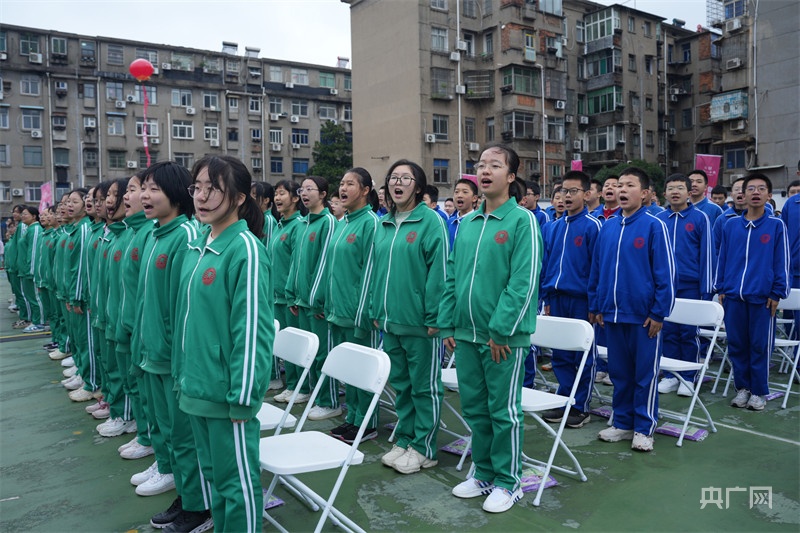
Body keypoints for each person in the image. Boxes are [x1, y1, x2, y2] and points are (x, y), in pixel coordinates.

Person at [441, 145, 541, 513]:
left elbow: (523, 281)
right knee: (476, 409)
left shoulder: (521, 221)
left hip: (503, 337)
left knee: (503, 411)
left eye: (494, 166)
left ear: (511, 177)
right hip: (466, 334)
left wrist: (501, 330)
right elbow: (452, 276)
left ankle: (508, 480)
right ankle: (483, 472)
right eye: (480, 165)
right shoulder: (467, 223)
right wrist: (449, 321)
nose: (484, 171)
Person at [177, 155, 273, 533]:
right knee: (215, 477)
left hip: (226, 393)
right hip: (197, 386)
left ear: (238, 198)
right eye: (197, 187)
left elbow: (252, 329)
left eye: (212, 189)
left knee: (237, 486)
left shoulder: (245, 249)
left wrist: (244, 395)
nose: (201, 197)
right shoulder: (202, 244)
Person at [134, 162, 208, 533]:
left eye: (153, 189)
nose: (144, 196)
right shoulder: (155, 234)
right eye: (143, 188)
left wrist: (175, 355)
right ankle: (187, 496)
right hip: (153, 355)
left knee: (184, 437)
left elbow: (184, 308)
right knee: (168, 433)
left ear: (177, 195)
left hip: (173, 358)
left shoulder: (185, 237)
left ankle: (199, 506)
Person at [589, 167, 675, 452]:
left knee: (644, 374)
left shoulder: (654, 226)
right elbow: (598, 269)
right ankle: (623, 423)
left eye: (629, 185)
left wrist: (659, 313)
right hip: (612, 314)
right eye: (618, 185)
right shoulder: (609, 226)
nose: (622, 190)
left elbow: (665, 274)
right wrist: (598, 304)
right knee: (620, 372)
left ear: (646, 193)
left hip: (643, 317)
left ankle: (644, 427)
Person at [371, 159, 448, 474]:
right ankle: (404, 438)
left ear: (417, 185)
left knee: (423, 386)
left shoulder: (430, 222)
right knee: (401, 384)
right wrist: (377, 310)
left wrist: (434, 316)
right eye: (393, 178)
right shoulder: (384, 223)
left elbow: (439, 272)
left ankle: (424, 446)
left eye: (405, 178)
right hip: (390, 321)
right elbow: (376, 272)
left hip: (421, 323)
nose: (397, 182)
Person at [715, 173, 789, 411]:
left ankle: (758, 391)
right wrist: (722, 288)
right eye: (751, 189)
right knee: (736, 344)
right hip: (733, 296)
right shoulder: (730, 225)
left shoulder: (776, 225)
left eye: (761, 189)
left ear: (769, 195)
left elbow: (781, 261)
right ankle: (743, 388)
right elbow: (722, 258)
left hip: (762, 299)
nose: (755, 192)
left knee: (759, 345)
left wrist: (777, 292)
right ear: (742, 195)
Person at [539, 170, 601, 429]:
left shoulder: (594, 226)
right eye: (563, 191)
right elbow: (547, 264)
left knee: (582, 354)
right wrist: (547, 297)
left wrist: (595, 303)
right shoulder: (553, 227)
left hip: (582, 301)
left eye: (573, 191)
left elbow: (599, 268)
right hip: (557, 297)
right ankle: (565, 398)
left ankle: (580, 406)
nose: (566, 196)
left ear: (586, 195)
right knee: (561, 353)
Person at [325, 167, 382, 443]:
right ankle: (353, 418)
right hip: (339, 311)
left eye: (350, 184)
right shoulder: (342, 222)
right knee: (349, 370)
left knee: (363, 370)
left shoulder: (370, 223)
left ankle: (367, 423)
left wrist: (364, 312)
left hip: (359, 314)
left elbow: (371, 271)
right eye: (342, 183)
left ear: (365, 191)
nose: (344, 188)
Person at [656, 174, 715, 396]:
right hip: (665, 286)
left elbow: (707, 255)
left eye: (680, 188)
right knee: (668, 332)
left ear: (689, 192)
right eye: (670, 188)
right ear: (664, 194)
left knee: (688, 333)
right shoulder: (660, 219)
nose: (675, 192)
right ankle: (671, 375)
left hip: (690, 286)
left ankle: (689, 376)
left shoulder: (700, 218)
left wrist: (706, 291)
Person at [287, 176, 340, 420]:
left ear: (323, 194)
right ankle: (313, 393)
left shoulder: (328, 222)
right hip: (301, 300)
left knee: (322, 353)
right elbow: (296, 264)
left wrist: (318, 298)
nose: (305, 193)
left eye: (310, 189)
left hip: (316, 302)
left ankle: (329, 401)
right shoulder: (302, 223)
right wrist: (293, 293)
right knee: (306, 353)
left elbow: (325, 264)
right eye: (302, 189)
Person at [271, 180, 310, 402]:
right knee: (284, 345)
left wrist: (293, 292)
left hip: (290, 297)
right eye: (276, 193)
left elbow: (297, 263)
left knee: (295, 345)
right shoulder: (280, 225)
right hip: (276, 295)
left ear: (295, 198)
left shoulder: (297, 225)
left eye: (282, 193)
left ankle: (301, 387)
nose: (277, 198)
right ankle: (293, 384)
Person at [17, 206, 45, 333]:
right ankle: (36, 320)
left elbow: (33, 251)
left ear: (34, 216)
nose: (22, 216)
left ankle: (40, 323)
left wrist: (31, 271)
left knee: (35, 298)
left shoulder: (35, 229)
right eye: (21, 214)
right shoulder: (29, 229)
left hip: (30, 271)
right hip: (25, 270)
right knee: (30, 297)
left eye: (25, 214)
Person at [713, 176, 746, 257]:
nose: (740, 192)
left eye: (743, 189)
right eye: (736, 189)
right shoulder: (722, 219)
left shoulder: (763, 217)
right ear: (731, 194)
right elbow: (715, 248)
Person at [447, 178, 479, 250]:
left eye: (465, 192)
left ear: (474, 198)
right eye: (456, 192)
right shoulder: (450, 222)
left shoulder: (478, 222)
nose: (459, 195)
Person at [250, 181, 277, 246]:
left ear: (266, 200)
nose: (250, 198)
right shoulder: (255, 217)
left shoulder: (269, 220)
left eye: (255, 195)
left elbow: (267, 247)